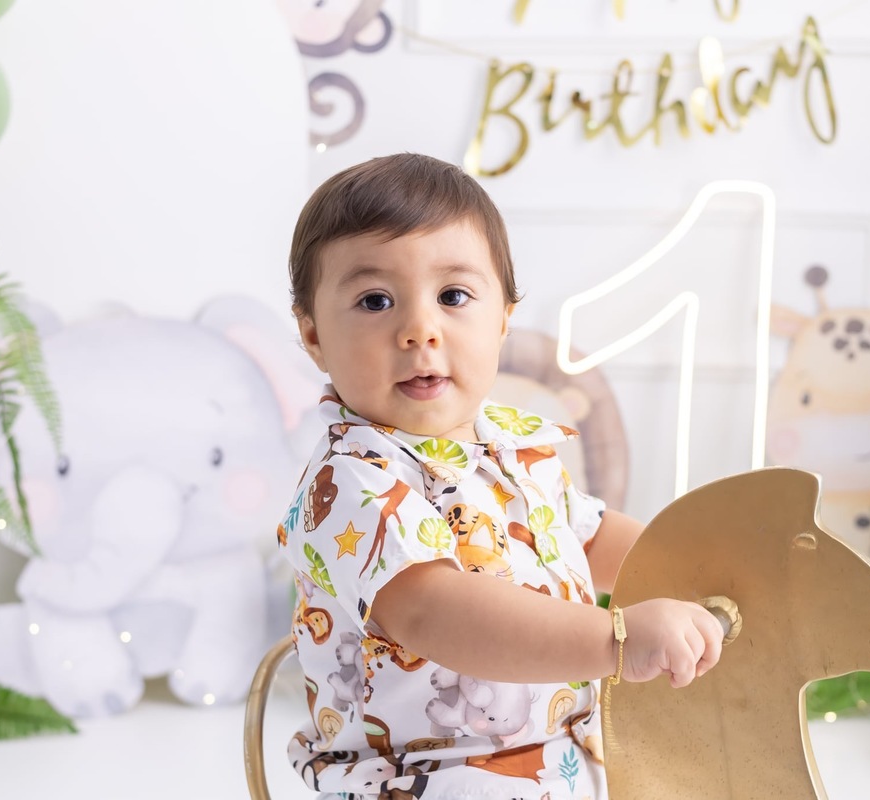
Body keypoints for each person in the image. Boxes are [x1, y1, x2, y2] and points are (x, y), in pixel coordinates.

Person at [277, 153, 724, 800]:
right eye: (375, 301)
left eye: (453, 296)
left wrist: (706, 569)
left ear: (505, 318)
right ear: (314, 335)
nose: (420, 330)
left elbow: (589, 538)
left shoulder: (512, 446)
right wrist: (617, 638)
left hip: (561, 758)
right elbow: (438, 614)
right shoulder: (350, 482)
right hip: (431, 777)